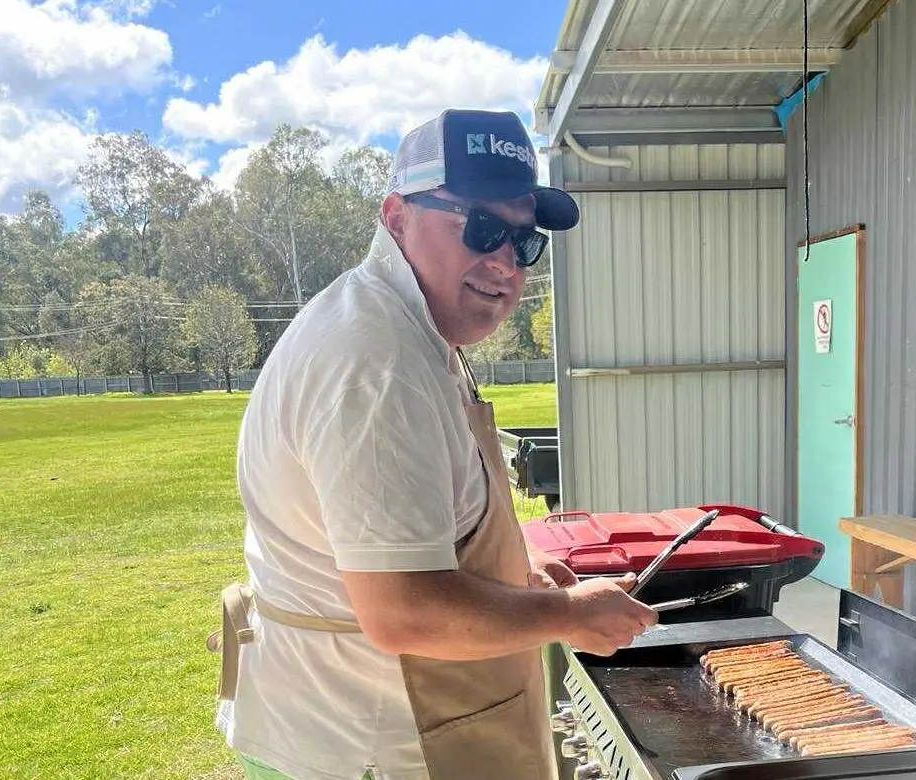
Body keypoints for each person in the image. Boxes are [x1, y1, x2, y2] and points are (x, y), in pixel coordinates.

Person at [205, 108, 658, 780]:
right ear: (396, 217)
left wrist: (519, 582)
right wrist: (563, 614)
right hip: (362, 743)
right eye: (481, 229)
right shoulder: (377, 361)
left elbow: (424, 524)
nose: (505, 262)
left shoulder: (415, 328)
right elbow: (402, 610)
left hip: (391, 720)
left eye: (524, 242)